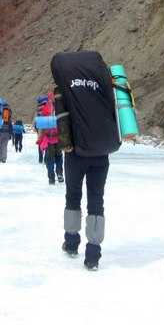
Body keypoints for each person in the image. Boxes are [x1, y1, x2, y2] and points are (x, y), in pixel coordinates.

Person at [51, 51, 121, 271]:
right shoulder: (104, 85)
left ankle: (71, 243)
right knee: (96, 201)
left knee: (73, 196)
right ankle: (93, 255)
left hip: (75, 154)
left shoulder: (65, 90)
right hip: (101, 153)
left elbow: (61, 122)